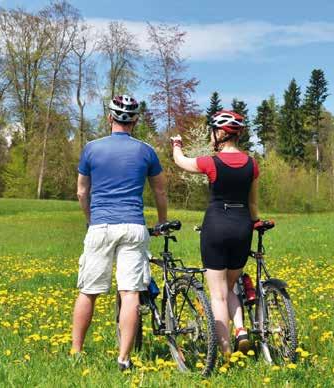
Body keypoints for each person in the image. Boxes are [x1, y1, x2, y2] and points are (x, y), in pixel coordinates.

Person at [71, 95, 168, 371]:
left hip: (101, 225)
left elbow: (81, 191)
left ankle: (76, 352)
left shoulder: (91, 149)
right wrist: (161, 221)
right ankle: (124, 359)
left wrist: (91, 220)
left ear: (109, 117)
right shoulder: (146, 151)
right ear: (135, 120)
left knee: (88, 291)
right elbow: (159, 190)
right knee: (130, 293)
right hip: (133, 226)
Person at [170, 110, 260, 357]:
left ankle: (226, 352)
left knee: (218, 295)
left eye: (213, 130)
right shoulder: (252, 165)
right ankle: (240, 329)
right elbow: (253, 205)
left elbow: (182, 161)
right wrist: (256, 223)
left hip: (217, 226)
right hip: (242, 227)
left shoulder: (212, 162)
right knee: (230, 288)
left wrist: (177, 145)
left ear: (220, 133)